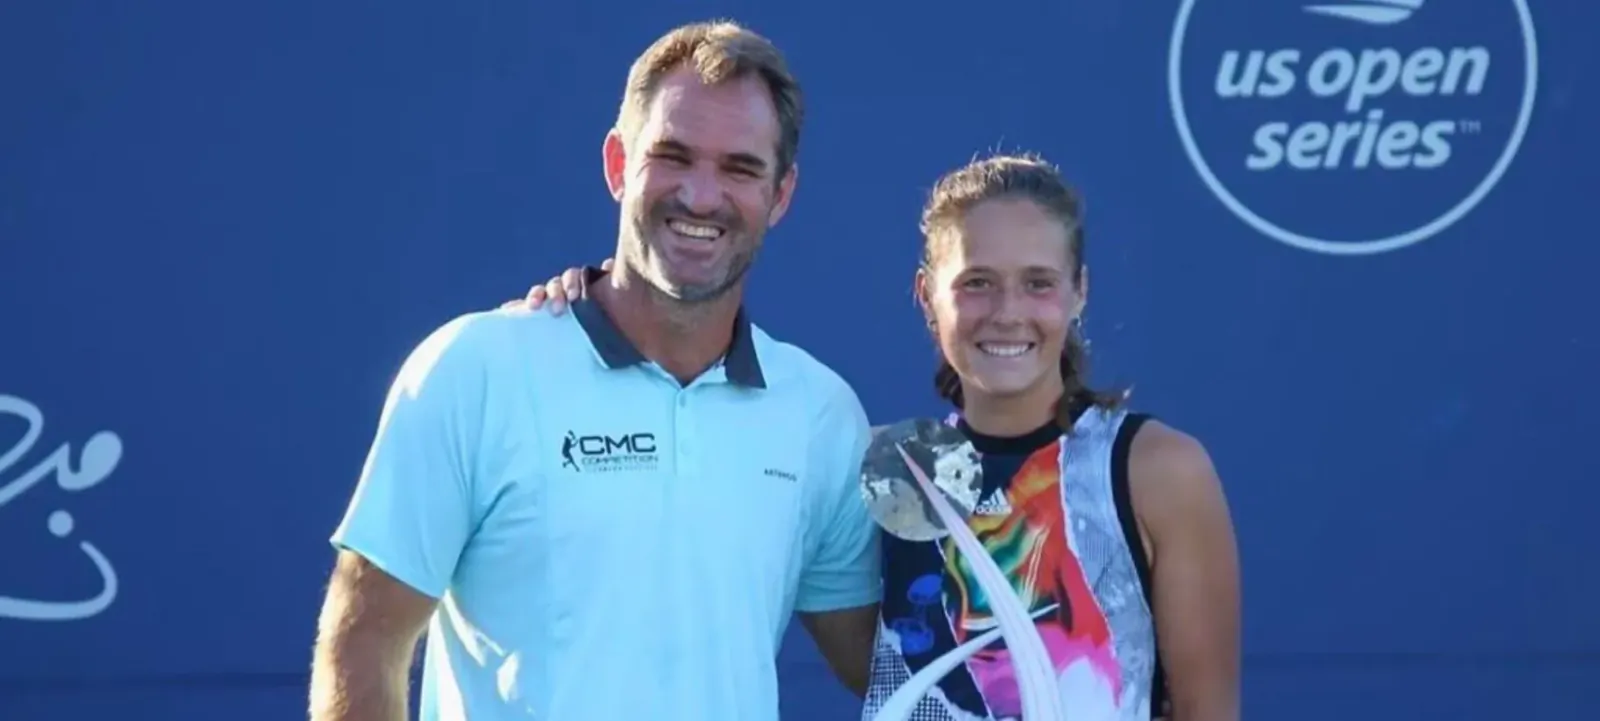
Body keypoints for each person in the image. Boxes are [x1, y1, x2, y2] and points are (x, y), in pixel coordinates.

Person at [518, 153, 1242, 720]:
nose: (1008, 312)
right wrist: (581, 299)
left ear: (1079, 290)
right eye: (977, 282)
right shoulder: (878, 469)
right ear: (928, 294)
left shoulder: (1155, 471)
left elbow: (1208, 708)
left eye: (1039, 282)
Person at [308, 20, 881, 721]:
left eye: (739, 168)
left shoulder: (820, 413)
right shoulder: (475, 369)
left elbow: (885, 665)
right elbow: (366, 637)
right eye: (672, 156)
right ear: (618, 165)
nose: (701, 197)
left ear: (781, 194)